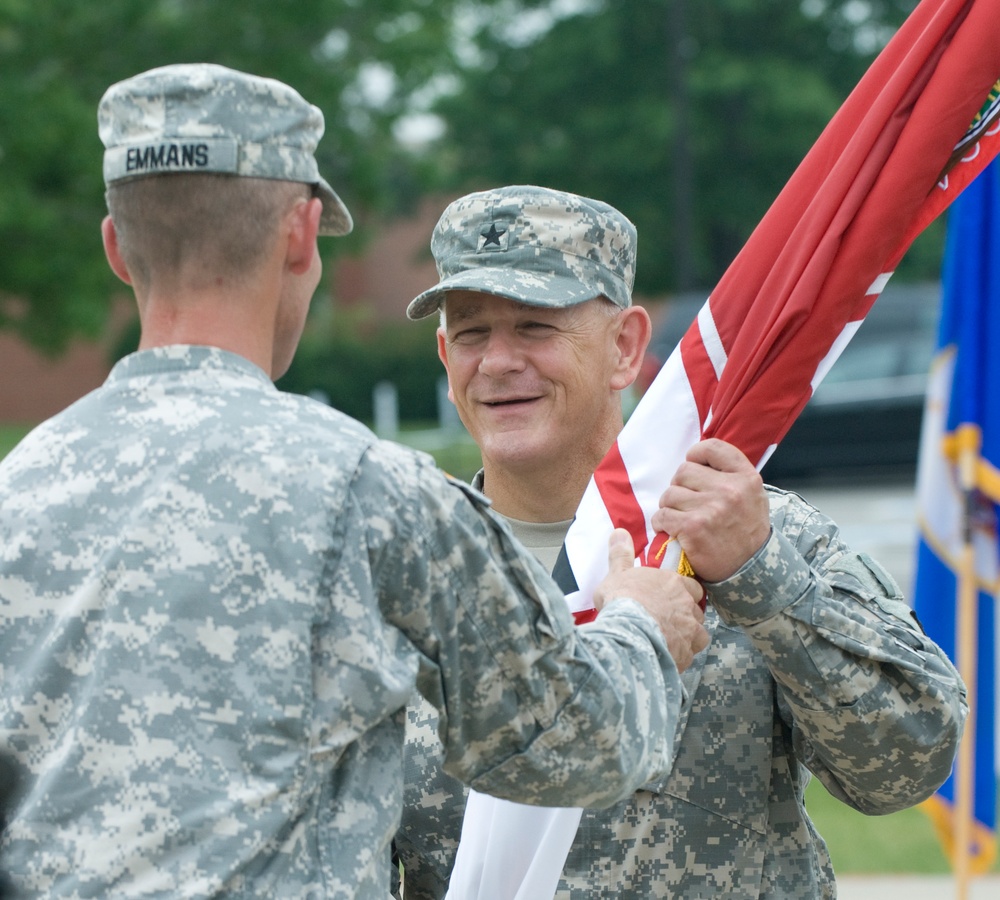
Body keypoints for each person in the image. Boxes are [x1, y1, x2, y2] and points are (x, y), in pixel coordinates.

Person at [0, 68, 712, 899]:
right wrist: (641, 629)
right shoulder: (373, 493)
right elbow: (576, 744)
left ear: (117, 249)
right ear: (302, 236)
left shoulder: (17, 496)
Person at [394, 184, 968, 899]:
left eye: (537, 327)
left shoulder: (745, 532)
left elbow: (910, 759)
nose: (500, 361)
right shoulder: (401, 561)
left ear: (626, 348)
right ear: (446, 355)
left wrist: (763, 581)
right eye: (473, 332)